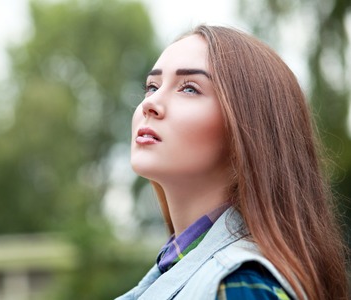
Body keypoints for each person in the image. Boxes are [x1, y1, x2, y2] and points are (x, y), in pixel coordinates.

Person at [116, 25, 349, 300]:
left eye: (189, 89)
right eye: (152, 86)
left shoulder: (239, 285)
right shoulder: (186, 274)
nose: (150, 103)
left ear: (249, 130)